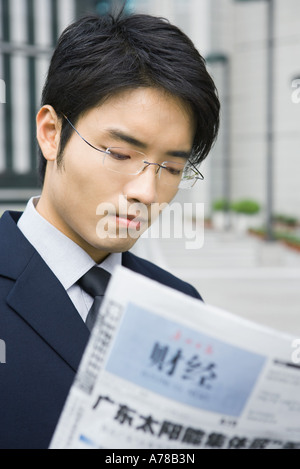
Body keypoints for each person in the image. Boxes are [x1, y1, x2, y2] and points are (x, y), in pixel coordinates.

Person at [0, 11, 220, 449]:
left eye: (172, 168)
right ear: (50, 132)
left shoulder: (180, 305)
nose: (146, 191)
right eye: (119, 154)